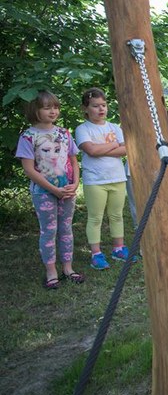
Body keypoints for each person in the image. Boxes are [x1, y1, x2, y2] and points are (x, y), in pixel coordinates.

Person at [16, 91, 84, 289]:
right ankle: (51, 271)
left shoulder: (64, 133)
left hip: (67, 191)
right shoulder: (28, 137)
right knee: (49, 230)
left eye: (55, 107)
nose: (53, 111)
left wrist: (75, 184)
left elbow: (74, 161)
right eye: (47, 108)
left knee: (66, 228)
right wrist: (53, 189)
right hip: (43, 193)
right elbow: (29, 169)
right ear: (35, 110)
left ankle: (68, 268)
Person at [75, 88, 131, 270]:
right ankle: (96, 254)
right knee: (95, 217)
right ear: (85, 108)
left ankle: (118, 248)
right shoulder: (82, 129)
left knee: (117, 215)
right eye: (95, 106)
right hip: (95, 181)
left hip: (117, 178)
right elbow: (91, 150)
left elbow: (125, 149)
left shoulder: (114, 128)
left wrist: (101, 148)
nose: (101, 109)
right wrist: (114, 144)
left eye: (104, 105)